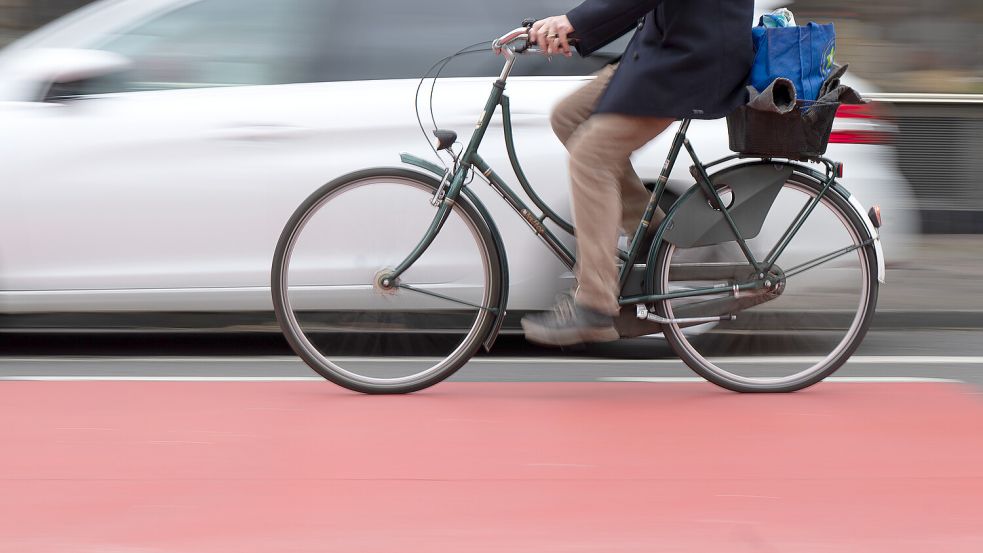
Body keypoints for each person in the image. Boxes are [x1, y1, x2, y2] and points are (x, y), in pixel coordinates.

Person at [520, 0, 755, 347]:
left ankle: (595, 305)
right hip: (660, 53)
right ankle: (650, 232)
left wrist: (572, 22)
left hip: (691, 62)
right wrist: (576, 29)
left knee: (590, 156)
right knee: (567, 117)